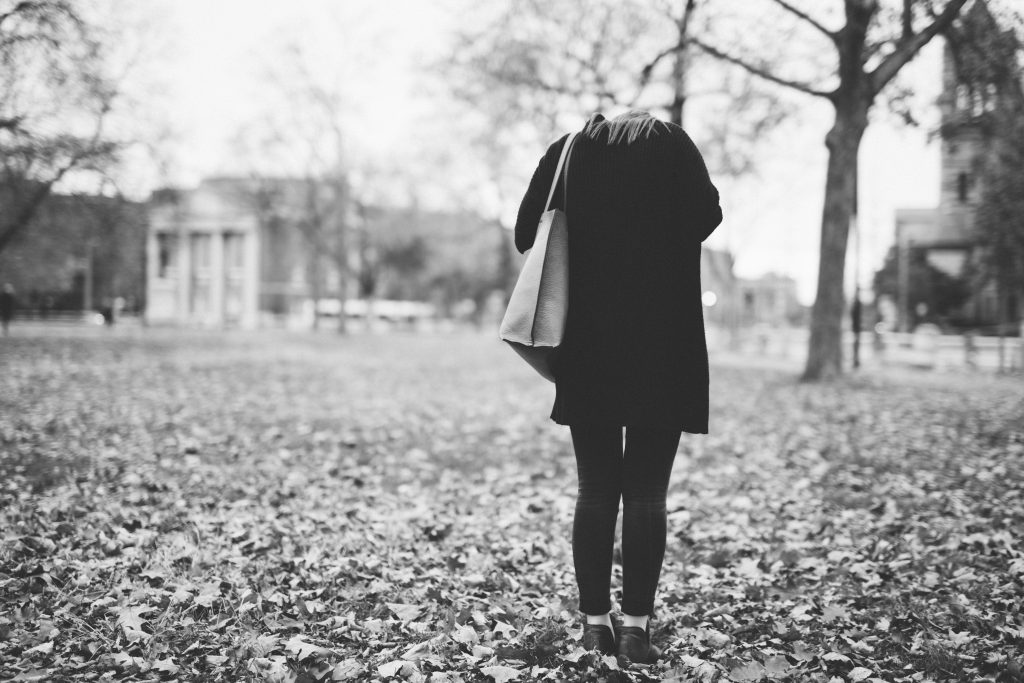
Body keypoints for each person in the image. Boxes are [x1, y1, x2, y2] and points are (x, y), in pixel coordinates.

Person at [513, 111, 722, 664]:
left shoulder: (569, 151)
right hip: (666, 343)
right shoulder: (675, 145)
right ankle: (635, 630)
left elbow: (522, 234)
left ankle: (592, 627)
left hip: (590, 345)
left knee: (597, 488)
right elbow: (708, 215)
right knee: (649, 492)